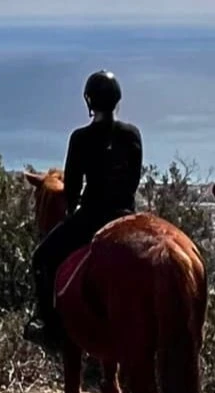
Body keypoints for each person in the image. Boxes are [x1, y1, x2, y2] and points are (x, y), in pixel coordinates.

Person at [24, 71, 143, 347]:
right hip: (127, 215)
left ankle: (49, 327)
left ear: (89, 102)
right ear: (117, 100)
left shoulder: (80, 138)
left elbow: (73, 187)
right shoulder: (132, 134)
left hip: (92, 217)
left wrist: (71, 211)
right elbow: (133, 180)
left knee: (41, 259)